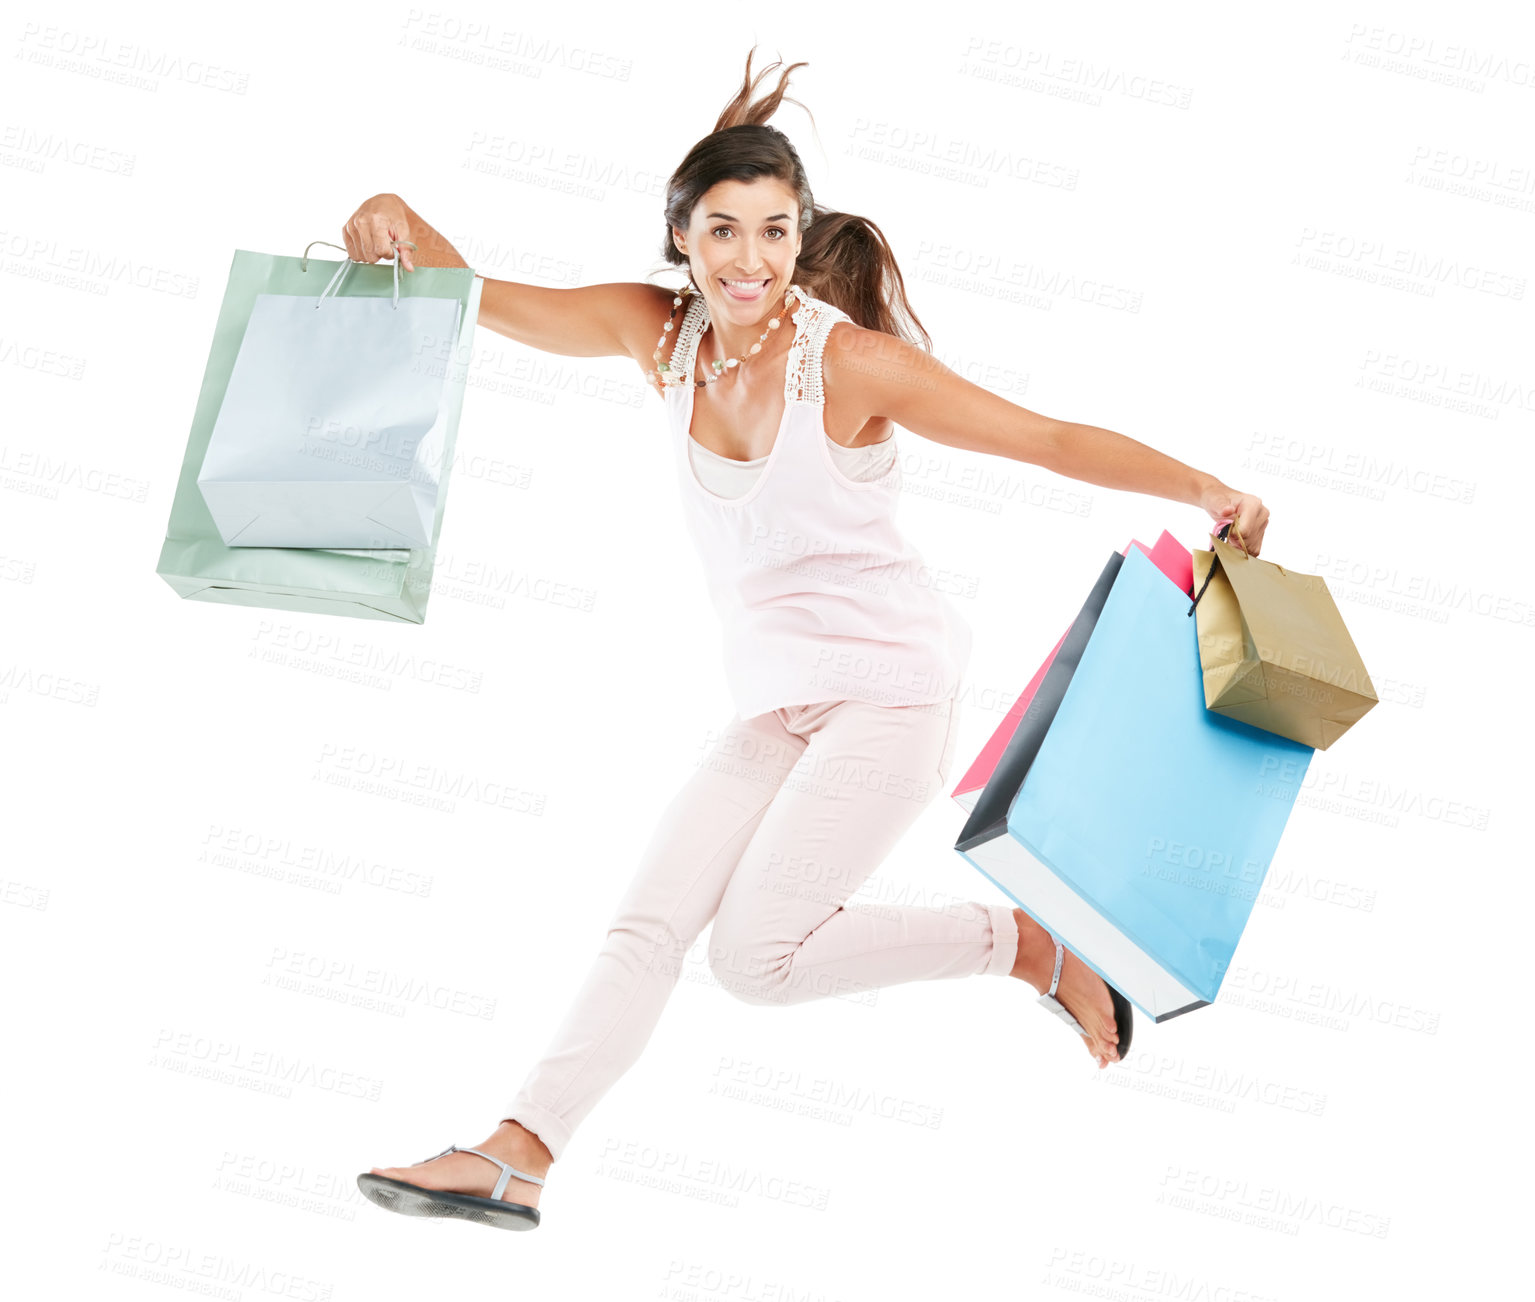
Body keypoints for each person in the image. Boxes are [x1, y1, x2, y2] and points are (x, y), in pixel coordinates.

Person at [351, 47, 1270, 1231]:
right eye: (723, 230)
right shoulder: (659, 338)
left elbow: (1039, 440)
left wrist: (1206, 489)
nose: (749, 260)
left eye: (774, 232)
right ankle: (517, 1154)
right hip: (777, 702)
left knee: (754, 959)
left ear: (798, 239)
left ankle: (1019, 943)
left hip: (888, 695)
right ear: (680, 236)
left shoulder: (845, 363)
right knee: (647, 922)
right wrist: (394, 217)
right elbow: (475, 294)